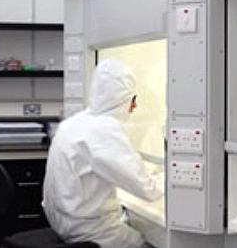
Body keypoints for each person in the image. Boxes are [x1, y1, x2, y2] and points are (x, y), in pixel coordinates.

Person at [42, 59, 164, 248]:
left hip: (63, 222)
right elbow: (148, 190)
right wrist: (170, 175)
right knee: (149, 244)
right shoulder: (104, 131)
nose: (135, 107)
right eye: (133, 99)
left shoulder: (74, 123)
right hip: (91, 232)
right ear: (122, 100)